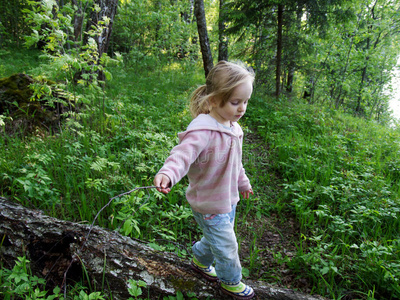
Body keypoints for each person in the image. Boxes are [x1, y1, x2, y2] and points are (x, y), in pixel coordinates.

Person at [153, 60, 255, 299]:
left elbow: (236, 162)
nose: (242, 108)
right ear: (213, 100)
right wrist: (168, 173)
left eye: (246, 102)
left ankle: (199, 261)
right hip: (209, 202)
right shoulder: (203, 130)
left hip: (228, 199)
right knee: (227, 245)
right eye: (235, 102)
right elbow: (182, 155)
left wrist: (243, 182)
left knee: (216, 238)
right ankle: (230, 281)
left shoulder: (234, 128)